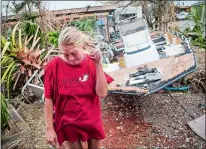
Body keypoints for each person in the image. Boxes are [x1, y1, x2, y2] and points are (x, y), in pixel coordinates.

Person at [44, 27, 114, 149]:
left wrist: (98, 64)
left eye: (74, 53)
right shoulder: (53, 66)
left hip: (91, 119)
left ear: (81, 46)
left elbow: (102, 93)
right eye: (66, 54)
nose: (70, 58)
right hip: (68, 122)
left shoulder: (92, 62)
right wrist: (50, 129)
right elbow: (48, 98)